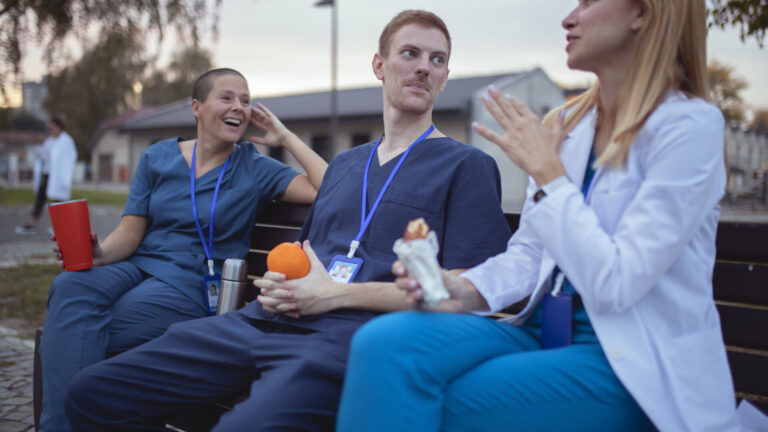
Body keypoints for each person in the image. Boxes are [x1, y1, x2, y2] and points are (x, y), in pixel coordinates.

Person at [63, 10, 512, 431]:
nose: (424, 68)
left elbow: (469, 287)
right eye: (410, 54)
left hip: (350, 338)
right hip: (266, 320)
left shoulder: (466, 166)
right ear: (379, 65)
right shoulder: (346, 165)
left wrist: (335, 295)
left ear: (445, 77)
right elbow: (303, 255)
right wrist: (280, 284)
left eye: (437, 60)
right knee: (91, 392)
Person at [336, 1, 750, 431]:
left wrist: (549, 175)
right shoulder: (569, 126)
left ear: (642, 14)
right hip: (541, 330)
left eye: (588, 3)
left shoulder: (690, 126)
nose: (569, 18)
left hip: (630, 361)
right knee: (381, 344)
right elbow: (531, 253)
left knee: (442, 400)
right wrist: (459, 287)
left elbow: (617, 283)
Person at [39, 68, 328, 432]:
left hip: (190, 283)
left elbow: (327, 186)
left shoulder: (254, 167)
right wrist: (98, 255)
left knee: (74, 333)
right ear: (197, 107)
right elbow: (131, 230)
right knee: (69, 285)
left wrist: (285, 137)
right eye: (226, 97)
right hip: (137, 265)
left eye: (244, 99)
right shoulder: (157, 157)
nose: (238, 106)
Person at [15, 117, 77, 235]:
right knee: (40, 198)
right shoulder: (50, 141)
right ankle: (32, 224)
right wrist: (39, 144)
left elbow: (70, 158)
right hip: (47, 173)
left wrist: (66, 175)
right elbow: (44, 155)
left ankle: (60, 227)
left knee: (58, 201)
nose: (50, 131)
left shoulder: (66, 141)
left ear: (59, 127)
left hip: (58, 176)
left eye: (52, 128)